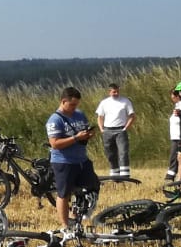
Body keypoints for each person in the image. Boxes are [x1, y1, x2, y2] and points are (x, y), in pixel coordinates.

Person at [46, 86, 100, 231]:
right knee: (64, 194)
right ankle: (65, 224)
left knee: (92, 185)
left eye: (76, 104)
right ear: (63, 101)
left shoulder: (79, 114)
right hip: (63, 161)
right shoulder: (55, 120)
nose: (74, 107)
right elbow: (55, 143)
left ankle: (77, 215)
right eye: (72, 104)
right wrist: (76, 138)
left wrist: (88, 135)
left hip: (82, 159)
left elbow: (84, 131)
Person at [94, 82, 136, 178]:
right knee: (110, 153)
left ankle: (124, 175)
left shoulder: (125, 101)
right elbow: (100, 117)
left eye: (117, 91)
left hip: (120, 129)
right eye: (114, 92)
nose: (116, 93)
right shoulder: (104, 103)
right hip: (107, 130)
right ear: (109, 92)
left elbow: (132, 116)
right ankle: (114, 173)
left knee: (123, 152)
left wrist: (125, 128)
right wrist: (101, 129)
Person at [166, 89, 181, 180]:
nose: (172, 98)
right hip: (175, 136)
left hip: (179, 136)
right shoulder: (177, 105)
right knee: (177, 156)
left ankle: (170, 175)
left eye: (173, 96)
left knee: (175, 156)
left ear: (178, 96)